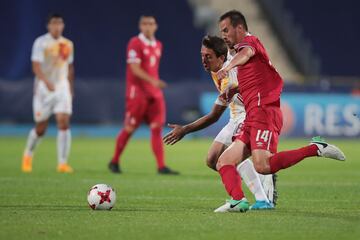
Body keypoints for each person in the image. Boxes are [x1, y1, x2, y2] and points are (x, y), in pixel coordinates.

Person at [214, 10, 345, 212]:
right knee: (224, 161)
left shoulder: (250, 43)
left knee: (263, 166)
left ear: (239, 28)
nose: (223, 35)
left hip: (264, 112)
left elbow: (245, 54)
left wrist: (227, 66)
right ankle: (238, 200)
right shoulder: (248, 55)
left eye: (226, 30)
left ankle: (315, 148)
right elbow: (256, 80)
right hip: (252, 114)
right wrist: (235, 87)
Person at [164, 35, 276, 211]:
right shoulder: (216, 68)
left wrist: (185, 129)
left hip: (249, 116)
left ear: (221, 58)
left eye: (208, 56)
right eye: (202, 55)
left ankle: (257, 195)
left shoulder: (231, 75)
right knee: (212, 160)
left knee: (227, 160)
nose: (203, 60)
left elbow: (214, 116)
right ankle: (255, 186)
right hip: (235, 116)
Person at [108, 15, 178, 175]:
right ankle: (114, 160)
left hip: (154, 93)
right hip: (137, 94)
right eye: (145, 24)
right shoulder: (135, 43)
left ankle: (161, 166)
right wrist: (154, 81)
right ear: (140, 26)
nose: (148, 27)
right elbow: (135, 69)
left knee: (156, 129)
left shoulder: (158, 45)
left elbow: (151, 68)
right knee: (130, 128)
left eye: (151, 24)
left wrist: (154, 85)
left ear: (156, 26)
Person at [22, 13, 74, 173]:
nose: (57, 26)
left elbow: (70, 67)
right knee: (41, 127)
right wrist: (45, 81)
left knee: (63, 121)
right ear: (48, 25)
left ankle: (62, 163)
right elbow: (36, 66)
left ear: (63, 25)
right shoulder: (41, 42)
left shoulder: (68, 44)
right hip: (44, 89)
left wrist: (70, 88)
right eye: (54, 23)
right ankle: (28, 155)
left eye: (60, 23)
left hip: (62, 87)